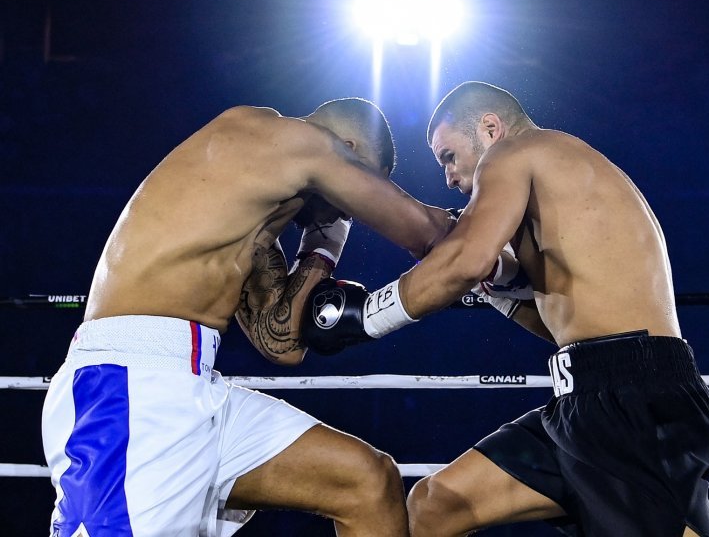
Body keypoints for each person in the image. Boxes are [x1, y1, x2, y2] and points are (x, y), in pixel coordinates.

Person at [302, 82, 709, 536]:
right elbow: (555, 324)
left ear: (490, 128)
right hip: (583, 402)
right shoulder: (555, 180)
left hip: (634, 402)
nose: (449, 178)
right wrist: (498, 288)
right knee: (435, 504)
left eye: (448, 156)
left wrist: (368, 317)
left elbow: (466, 258)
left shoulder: (517, 152)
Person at [41, 98, 454, 537]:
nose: (347, 209)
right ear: (346, 148)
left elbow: (281, 343)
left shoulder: (250, 195)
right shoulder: (294, 139)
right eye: (362, 181)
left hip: (195, 386)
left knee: (366, 482)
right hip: (128, 390)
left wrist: (322, 246)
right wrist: (505, 219)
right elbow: (425, 231)